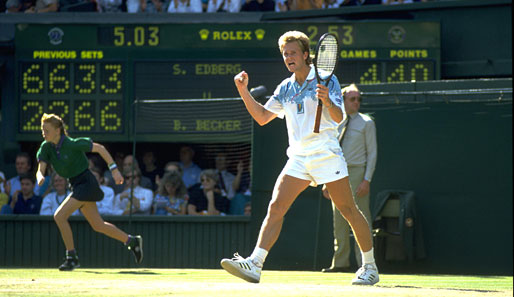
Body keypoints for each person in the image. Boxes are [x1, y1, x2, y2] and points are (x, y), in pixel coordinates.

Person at [220, 31, 379, 285]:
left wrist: (327, 100)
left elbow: (339, 118)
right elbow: (262, 117)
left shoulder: (328, 80)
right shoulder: (285, 87)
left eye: (293, 53)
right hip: (298, 157)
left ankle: (369, 266)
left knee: (349, 210)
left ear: (306, 55)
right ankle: (255, 263)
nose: (288, 57)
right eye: (285, 54)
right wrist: (243, 91)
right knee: (276, 207)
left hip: (327, 155)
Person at [35, 113, 143, 271]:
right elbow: (40, 168)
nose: (44, 133)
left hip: (86, 183)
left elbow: (100, 148)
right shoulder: (46, 147)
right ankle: (132, 241)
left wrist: (114, 170)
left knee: (59, 216)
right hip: (76, 184)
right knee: (98, 225)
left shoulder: (72, 144)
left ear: (58, 130)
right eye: (42, 130)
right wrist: (40, 176)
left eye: (47, 130)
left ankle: (71, 258)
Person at [322, 83, 377, 273]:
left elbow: (372, 154)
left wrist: (366, 180)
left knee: (361, 216)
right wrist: (325, 180)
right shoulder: (334, 120)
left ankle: (365, 263)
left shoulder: (367, 122)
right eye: (352, 99)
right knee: (338, 219)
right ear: (344, 100)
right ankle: (340, 263)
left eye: (359, 99)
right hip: (336, 171)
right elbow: (329, 150)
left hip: (356, 172)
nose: (356, 102)